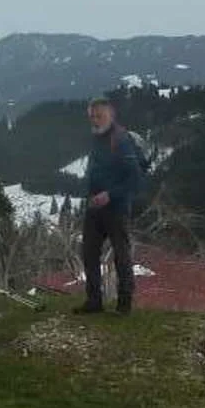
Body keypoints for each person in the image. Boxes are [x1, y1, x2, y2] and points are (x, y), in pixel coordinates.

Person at [75, 98, 142, 316]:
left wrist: (110, 195)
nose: (95, 120)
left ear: (111, 114)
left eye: (99, 116)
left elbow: (135, 177)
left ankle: (124, 304)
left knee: (121, 255)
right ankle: (94, 301)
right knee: (89, 253)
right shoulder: (97, 138)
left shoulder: (120, 139)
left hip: (117, 207)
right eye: (92, 116)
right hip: (95, 206)